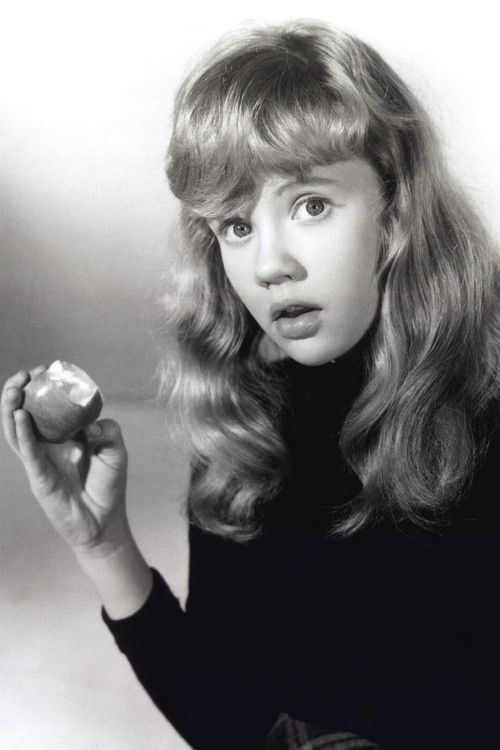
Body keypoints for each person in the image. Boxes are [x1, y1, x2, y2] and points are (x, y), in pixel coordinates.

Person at [2, 18, 500, 748]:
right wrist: (104, 545)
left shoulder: (486, 415)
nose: (270, 265)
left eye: (311, 205)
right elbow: (233, 727)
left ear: (395, 214)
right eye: (236, 225)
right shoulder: (247, 423)